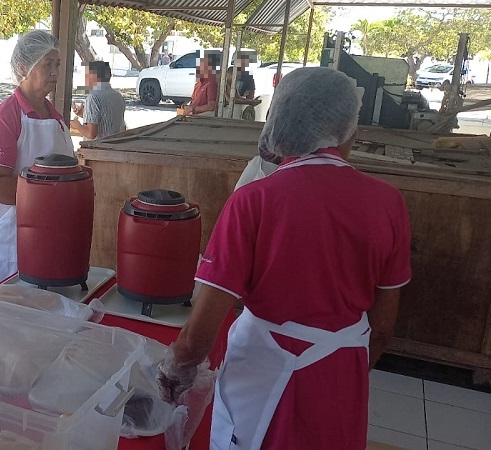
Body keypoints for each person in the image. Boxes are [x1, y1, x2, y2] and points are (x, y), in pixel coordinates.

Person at [158, 67, 411, 449]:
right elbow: (384, 327)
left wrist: (176, 370)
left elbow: (199, 336)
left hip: (261, 368)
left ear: (283, 125)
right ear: (348, 131)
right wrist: (343, 363)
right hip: (341, 371)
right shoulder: (389, 203)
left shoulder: (254, 200)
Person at [0, 30, 75, 283]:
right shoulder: (4, 118)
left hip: (49, 230)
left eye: (58, 65)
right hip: (9, 232)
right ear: (23, 67)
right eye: (47, 64)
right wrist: (46, 202)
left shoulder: (56, 118)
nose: (55, 72)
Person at [70, 61, 126, 140]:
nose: (85, 79)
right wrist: (85, 115)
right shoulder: (118, 96)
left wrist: (77, 126)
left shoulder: (93, 97)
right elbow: (108, 120)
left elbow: (91, 134)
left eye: (87, 75)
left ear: (94, 76)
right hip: (115, 145)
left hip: (98, 148)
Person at [180, 51, 219, 116]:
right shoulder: (198, 84)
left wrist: (193, 108)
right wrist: (187, 107)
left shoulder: (211, 83)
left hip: (202, 118)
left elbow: (211, 106)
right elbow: (193, 101)